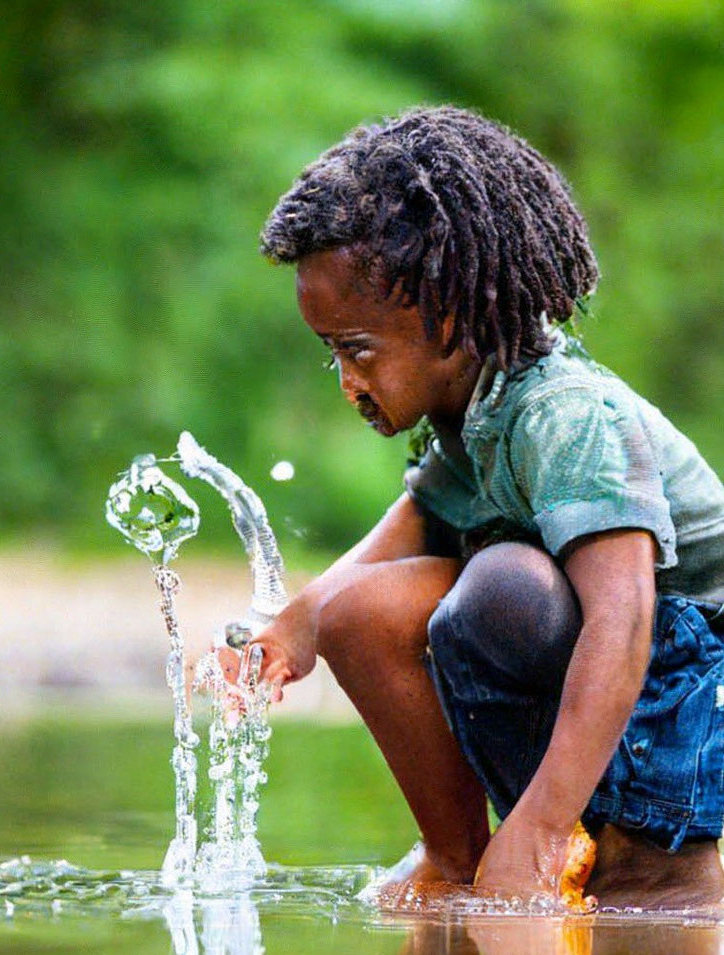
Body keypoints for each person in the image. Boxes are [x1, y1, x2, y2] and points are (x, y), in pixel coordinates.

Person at [250, 106, 724, 908]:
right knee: (356, 614)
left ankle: (661, 861)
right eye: (329, 352)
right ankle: (460, 857)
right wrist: (290, 629)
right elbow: (410, 526)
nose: (347, 383)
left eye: (357, 350)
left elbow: (628, 618)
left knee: (502, 584)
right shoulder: (473, 411)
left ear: (447, 318)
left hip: (688, 672)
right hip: (618, 660)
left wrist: (539, 828)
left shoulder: (563, 415)